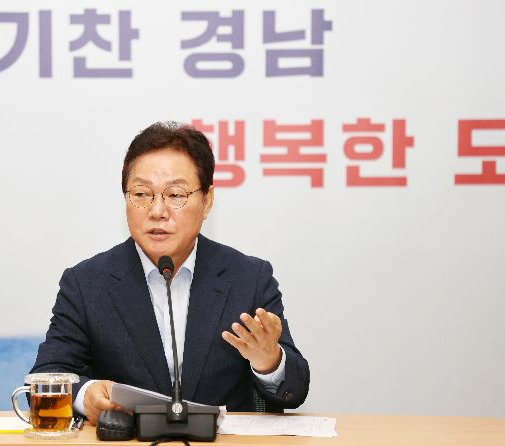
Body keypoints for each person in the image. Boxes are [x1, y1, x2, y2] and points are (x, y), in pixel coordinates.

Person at [30, 122, 310, 425]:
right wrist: (86, 395)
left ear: (207, 200)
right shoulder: (86, 283)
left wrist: (269, 361)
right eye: (141, 193)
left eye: (175, 194)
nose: (157, 211)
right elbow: (46, 375)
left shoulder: (248, 278)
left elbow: (295, 391)